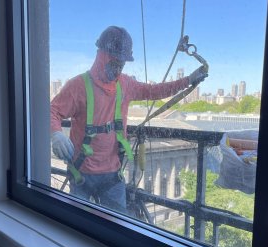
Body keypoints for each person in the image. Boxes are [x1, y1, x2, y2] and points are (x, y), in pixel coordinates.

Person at [50, 26, 208, 214]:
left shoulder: (125, 84)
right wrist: (56, 134)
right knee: (79, 225)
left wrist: (187, 80)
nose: (117, 70)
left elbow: (154, 91)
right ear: (101, 56)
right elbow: (53, 110)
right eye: (114, 63)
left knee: (117, 225)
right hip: (81, 173)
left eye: (122, 65)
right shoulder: (78, 86)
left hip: (111, 175)